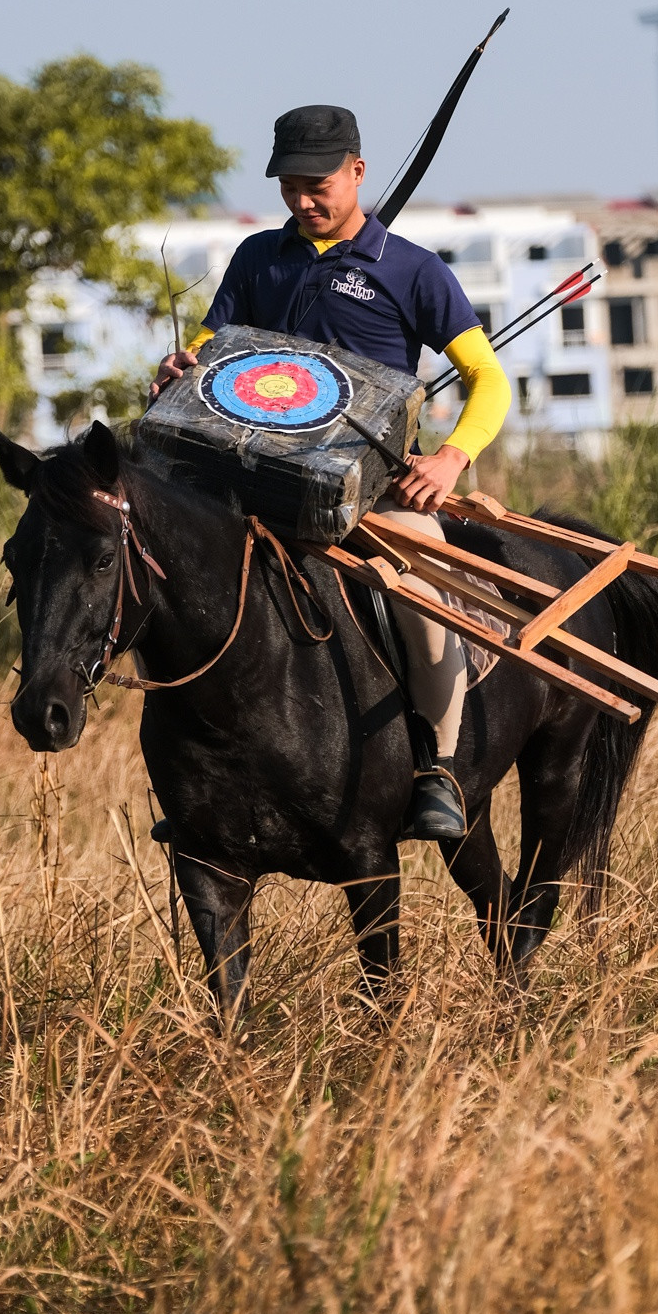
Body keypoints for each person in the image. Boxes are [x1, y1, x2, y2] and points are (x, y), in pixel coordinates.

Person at [151, 103, 511, 839]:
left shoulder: (415, 271)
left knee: (418, 591)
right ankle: (200, 779)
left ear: (358, 172)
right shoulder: (257, 258)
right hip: (252, 488)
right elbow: (209, 351)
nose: (303, 202)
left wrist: (448, 459)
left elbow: (491, 380)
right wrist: (181, 368)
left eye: (318, 185)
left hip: (373, 501)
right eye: (289, 187)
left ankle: (440, 767)